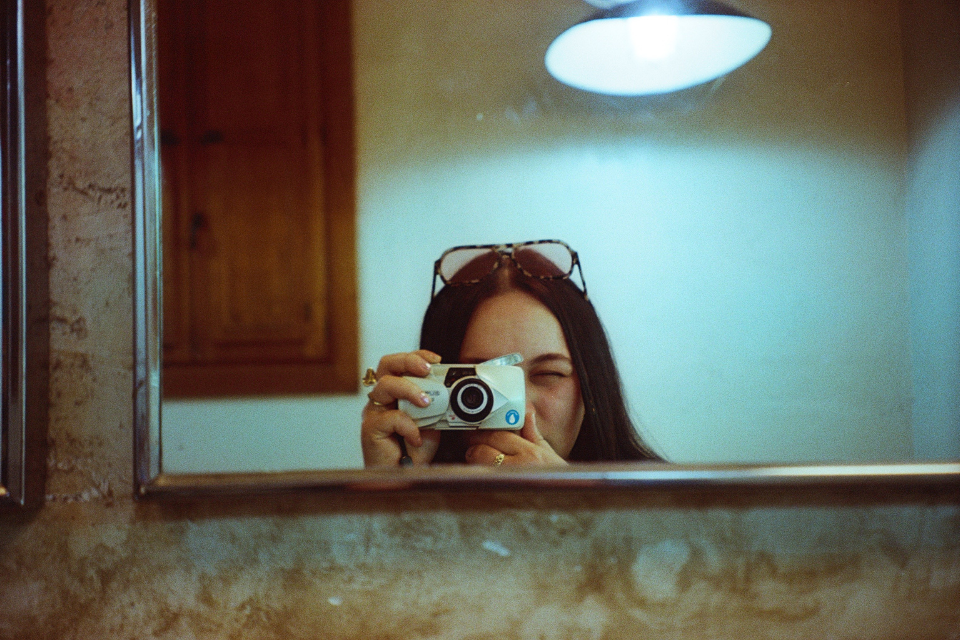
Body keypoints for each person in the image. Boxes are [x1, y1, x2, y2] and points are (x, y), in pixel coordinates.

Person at [361, 239, 660, 467]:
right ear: (432, 387)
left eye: (549, 375)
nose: (518, 414)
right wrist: (395, 489)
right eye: (480, 382)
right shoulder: (414, 493)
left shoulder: (669, 505)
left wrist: (577, 506)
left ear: (592, 384)